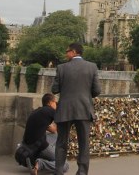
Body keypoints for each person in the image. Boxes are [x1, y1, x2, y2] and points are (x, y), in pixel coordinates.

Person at [52, 42, 101, 175]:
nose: (66, 53)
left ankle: (58, 171)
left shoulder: (61, 68)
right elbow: (97, 91)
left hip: (65, 109)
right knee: (84, 144)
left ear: (73, 52)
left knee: (61, 143)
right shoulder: (92, 67)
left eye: (67, 51)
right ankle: (82, 172)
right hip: (84, 109)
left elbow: (54, 89)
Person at [21, 93, 69, 175]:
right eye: (55, 102)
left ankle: (41, 158)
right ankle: (41, 164)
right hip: (39, 145)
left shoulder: (38, 111)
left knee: (56, 136)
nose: (56, 104)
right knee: (64, 165)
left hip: (28, 147)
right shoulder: (50, 111)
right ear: (50, 102)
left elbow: (53, 131)